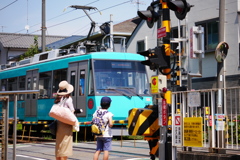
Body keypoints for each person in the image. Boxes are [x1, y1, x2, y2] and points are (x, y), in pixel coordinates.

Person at [55, 80, 75, 160]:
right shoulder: (69, 99)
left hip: (59, 123)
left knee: (59, 144)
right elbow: (72, 110)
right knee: (66, 144)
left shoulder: (60, 99)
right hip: (66, 124)